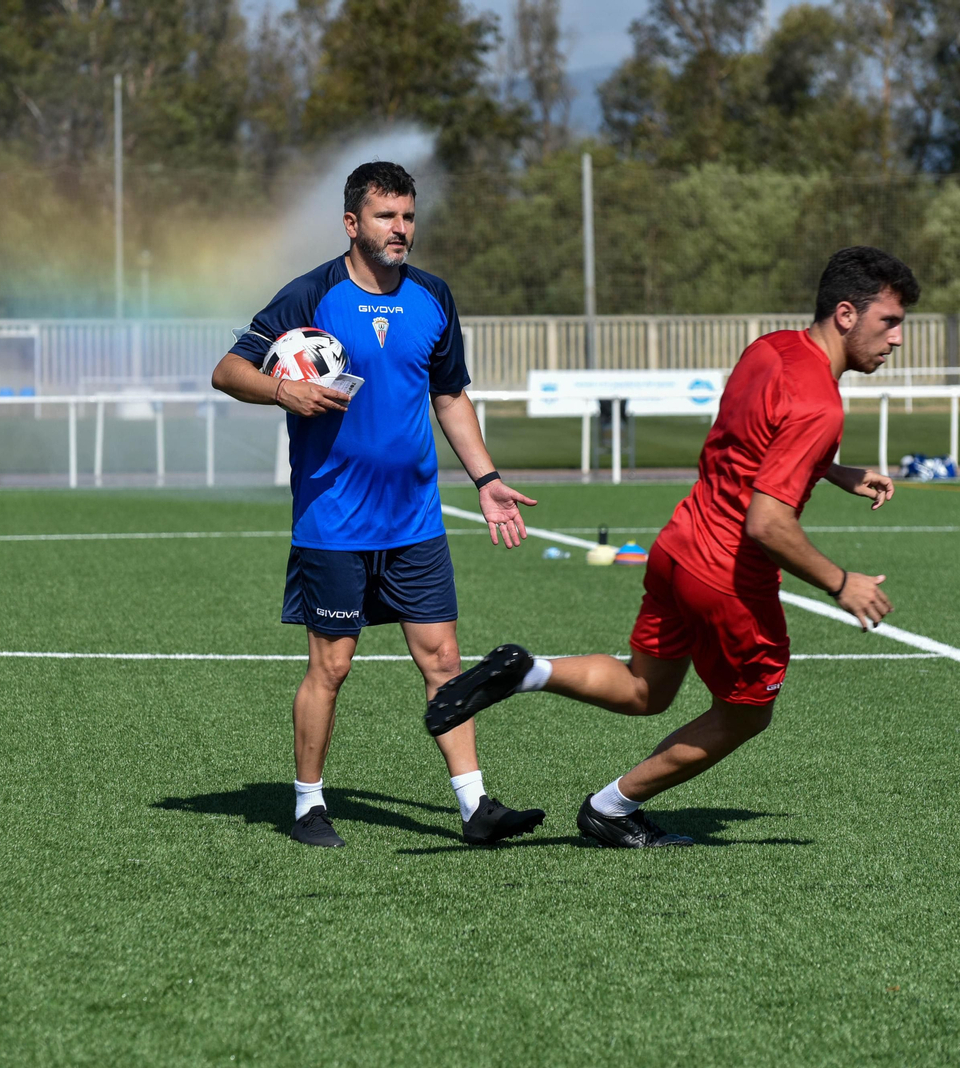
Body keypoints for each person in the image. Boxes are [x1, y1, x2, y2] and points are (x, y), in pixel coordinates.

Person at [426, 246, 918, 848]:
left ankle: (530, 671)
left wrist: (831, 470)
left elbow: (750, 442)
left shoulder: (769, 348)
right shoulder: (820, 402)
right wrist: (843, 583)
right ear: (846, 314)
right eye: (889, 321)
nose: (897, 338)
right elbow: (768, 524)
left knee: (646, 689)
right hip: (729, 581)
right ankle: (611, 809)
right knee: (747, 713)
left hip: (679, 545)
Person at [210, 161, 544, 849]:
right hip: (333, 521)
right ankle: (308, 806)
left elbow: (449, 395)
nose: (400, 229)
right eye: (386, 216)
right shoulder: (311, 295)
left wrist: (486, 479)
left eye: (408, 216)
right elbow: (228, 370)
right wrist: (285, 391)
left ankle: (475, 807)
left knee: (443, 661)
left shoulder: (433, 296)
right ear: (351, 223)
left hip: (415, 521)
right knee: (331, 667)